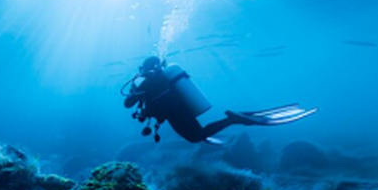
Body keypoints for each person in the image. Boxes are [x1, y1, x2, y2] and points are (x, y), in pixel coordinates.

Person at [123, 56, 315, 144]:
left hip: (175, 114)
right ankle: (239, 116)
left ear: (144, 69)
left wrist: (134, 88)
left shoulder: (145, 83)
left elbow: (127, 104)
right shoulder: (165, 76)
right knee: (197, 134)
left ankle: (233, 119)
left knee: (195, 137)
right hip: (183, 108)